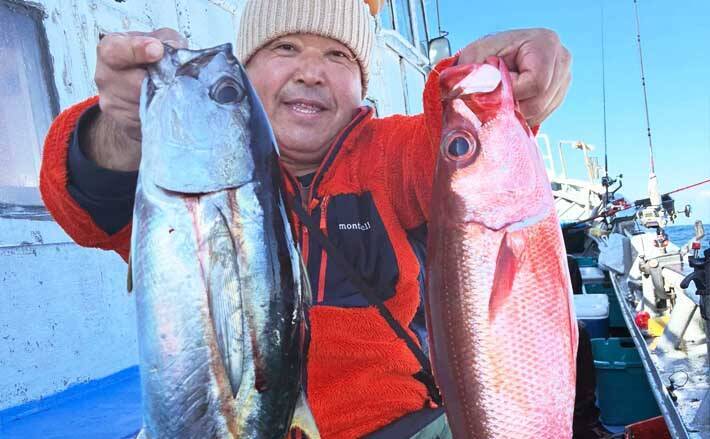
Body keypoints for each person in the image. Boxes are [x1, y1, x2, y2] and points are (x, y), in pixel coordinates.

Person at [39, 0, 607, 437]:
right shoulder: (183, 169)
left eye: (338, 56)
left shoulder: (393, 155)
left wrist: (497, 74)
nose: (311, 71)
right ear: (248, 71)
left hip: (395, 423)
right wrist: (124, 129)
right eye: (285, 47)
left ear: (362, 85)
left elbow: (464, 146)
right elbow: (88, 204)